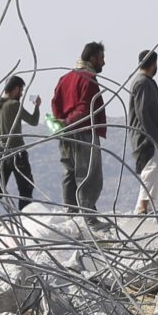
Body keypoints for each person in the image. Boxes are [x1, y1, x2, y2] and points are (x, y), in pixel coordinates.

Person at [52, 42, 108, 215]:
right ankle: (87, 213)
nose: (103, 63)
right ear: (92, 58)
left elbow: (55, 103)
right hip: (83, 132)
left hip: (65, 132)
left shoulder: (65, 78)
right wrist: (71, 122)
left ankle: (72, 211)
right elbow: (85, 108)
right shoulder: (88, 79)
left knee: (69, 172)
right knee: (88, 175)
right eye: (101, 58)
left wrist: (62, 123)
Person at [126, 49, 158, 214]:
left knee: (156, 167)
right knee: (152, 167)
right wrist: (155, 137)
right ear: (154, 64)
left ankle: (146, 206)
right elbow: (143, 113)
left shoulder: (146, 82)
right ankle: (142, 207)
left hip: (152, 134)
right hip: (145, 136)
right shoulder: (142, 83)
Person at [0, 76, 37, 206]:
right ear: (16, 88)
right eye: (21, 90)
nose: (22, 94)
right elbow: (34, 121)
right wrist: (37, 106)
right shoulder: (15, 105)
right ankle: (23, 219)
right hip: (17, 154)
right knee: (26, 189)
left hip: (0, 154)